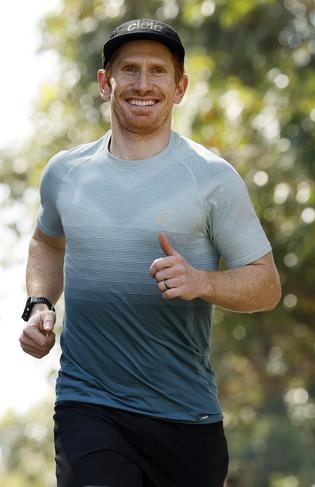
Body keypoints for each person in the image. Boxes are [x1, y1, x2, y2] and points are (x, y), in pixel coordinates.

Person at [18, 18, 281, 487]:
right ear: (106, 83)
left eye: (158, 71)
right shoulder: (66, 172)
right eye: (130, 69)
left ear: (179, 88)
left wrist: (203, 281)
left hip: (186, 416)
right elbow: (46, 240)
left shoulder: (212, 178)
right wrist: (40, 303)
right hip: (88, 403)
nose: (143, 84)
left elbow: (266, 285)